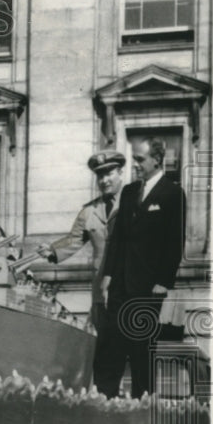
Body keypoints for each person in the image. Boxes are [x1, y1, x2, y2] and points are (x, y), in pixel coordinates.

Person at [95, 137, 186, 399]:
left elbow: (174, 242)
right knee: (110, 349)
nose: (135, 165)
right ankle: (104, 407)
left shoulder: (172, 193)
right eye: (134, 159)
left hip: (148, 287)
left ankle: (141, 412)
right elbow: (119, 239)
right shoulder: (129, 191)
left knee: (140, 351)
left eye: (139, 159)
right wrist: (108, 275)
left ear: (157, 160)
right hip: (120, 284)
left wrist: (163, 281)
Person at [37, 150, 125, 337]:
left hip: (130, 286)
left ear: (120, 173)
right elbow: (74, 239)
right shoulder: (89, 211)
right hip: (101, 290)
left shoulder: (135, 202)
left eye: (109, 173)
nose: (104, 181)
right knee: (105, 342)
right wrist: (52, 250)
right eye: (100, 176)